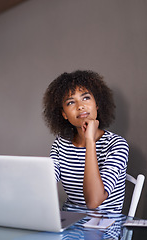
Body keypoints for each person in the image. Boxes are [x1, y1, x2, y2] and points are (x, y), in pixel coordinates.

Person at [42, 70, 129, 213]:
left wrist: (90, 141)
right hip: (69, 223)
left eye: (86, 98)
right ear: (64, 114)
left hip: (104, 226)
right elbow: (44, 182)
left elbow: (93, 201)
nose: (80, 106)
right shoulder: (60, 144)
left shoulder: (117, 145)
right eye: (70, 102)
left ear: (97, 105)